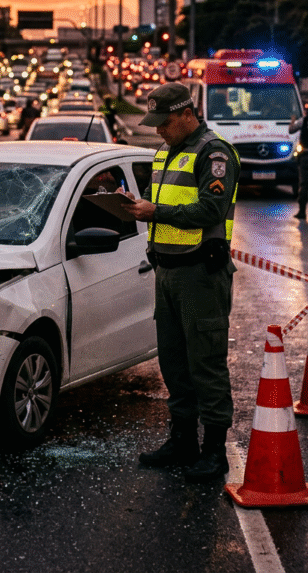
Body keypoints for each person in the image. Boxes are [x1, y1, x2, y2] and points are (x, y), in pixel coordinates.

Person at [121, 83, 240, 483]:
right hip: (167, 272)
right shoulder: (167, 151)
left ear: (187, 114)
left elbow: (210, 208)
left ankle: (214, 452)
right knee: (173, 363)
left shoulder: (214, 152)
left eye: (165, 122)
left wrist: (156, 211)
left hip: (200, 274)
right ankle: (183, 441)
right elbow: (166, 202)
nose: (159, 130)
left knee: (204, 362)